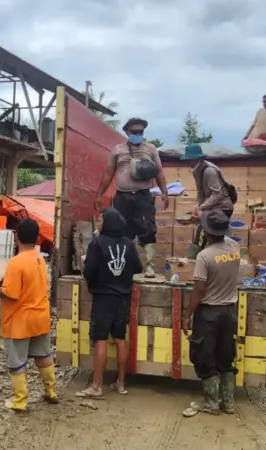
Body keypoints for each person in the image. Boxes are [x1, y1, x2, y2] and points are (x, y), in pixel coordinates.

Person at [0, 218, 58, 411]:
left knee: (16, 362)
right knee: (43, 355)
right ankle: (51, 391)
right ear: (37, 238)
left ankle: (20, 401)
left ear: (16, 237)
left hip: (20, 320)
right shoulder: (39, 259)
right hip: (40, 316)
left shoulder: (16, 262)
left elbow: (10, 294)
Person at [76, 208, 142, 399]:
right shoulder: (129, 244)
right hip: (122, 299)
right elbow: (137, 267)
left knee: (101, 340)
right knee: (121, 339)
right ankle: (121, 383)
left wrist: (88, 265)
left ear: (108, 223)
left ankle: (96, 386)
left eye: (100, 220)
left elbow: (88, 272)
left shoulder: (97, 243)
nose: (98, 222)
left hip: (103, 298)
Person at [181, 211, 240, 418]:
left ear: (206, 231)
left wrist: (187, 315)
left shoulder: (204, 256)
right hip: (229, 312)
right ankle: (229, 403)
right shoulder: (234, 247)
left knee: (204, 357)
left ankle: (212, 403)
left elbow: (198, 290)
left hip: (209, 313)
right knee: (225, 357)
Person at [95, 117, 169, 278]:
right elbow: (108, 173)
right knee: (121, 230)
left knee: (147, 229)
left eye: (140, 132)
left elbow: (159, 171)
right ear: (127, 132)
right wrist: (99, 195)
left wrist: (165, 192)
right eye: (134, 132)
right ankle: (124, 265)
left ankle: (149, 267)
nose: (138, 134)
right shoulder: (117, 150)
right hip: (122, 196)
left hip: (143, 195)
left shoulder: (151, 149)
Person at [181, 144, 235, 251]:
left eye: (190, 160)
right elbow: (200, 192)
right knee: (206, 232)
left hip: (223, 207)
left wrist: (202, 208)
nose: (188, 163)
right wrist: (197, 208)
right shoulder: (196, 171)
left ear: (198, 159)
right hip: (213, 207)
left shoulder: (209, 171)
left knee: (203, 229)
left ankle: (195, 256)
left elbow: (217, 194)